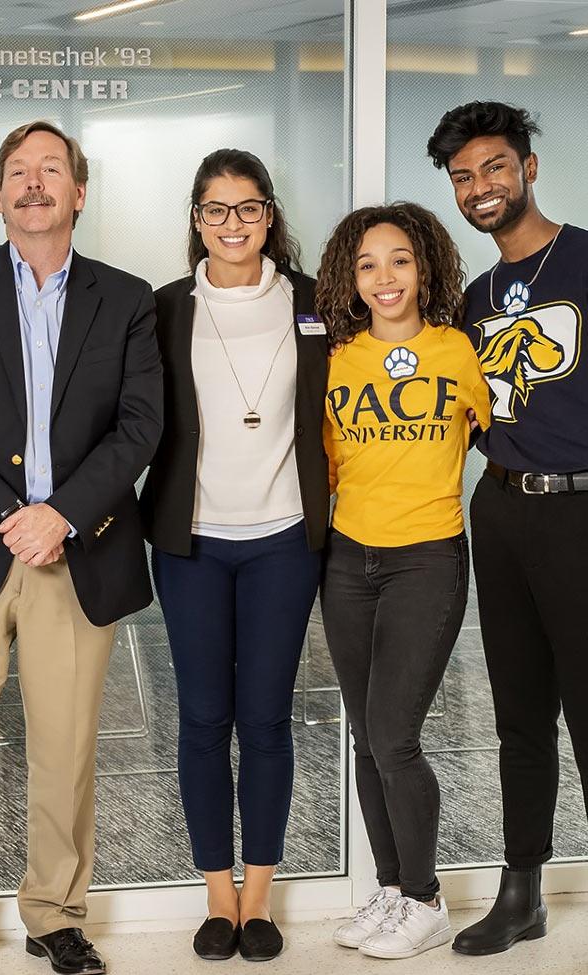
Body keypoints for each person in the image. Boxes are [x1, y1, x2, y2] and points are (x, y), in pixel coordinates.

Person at [0, 120, 163, 975]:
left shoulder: (126, 298)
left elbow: (139, 426)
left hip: (77, 551)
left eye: (51, 169)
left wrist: (61, 514)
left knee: (66, 744)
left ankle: (56, 912)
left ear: (78, 192)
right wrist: (3, 512)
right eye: (17, 170)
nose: (34, 182)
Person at [138, 149, 328, 963]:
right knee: (202, 719)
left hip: (285, 537)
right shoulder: (164, 308)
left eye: (246, 208)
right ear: (195, 220)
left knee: (267, 720)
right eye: (214, 210)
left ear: (269, 214)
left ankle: (261, 895)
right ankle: (218, 896)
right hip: (193, 543)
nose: (232, 224)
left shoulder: (318, 302)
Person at [428, 101, 588, 956]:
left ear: (528, 167)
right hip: (501, 508)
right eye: (461, 176)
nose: (479, 187)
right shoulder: (474, 297)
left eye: (493, 167)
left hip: (582, 510)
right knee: (518, 716)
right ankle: (520, 891)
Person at [316, 202, 491, 959]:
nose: (383, 277)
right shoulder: (335, 358)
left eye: (397, 260)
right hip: (348, 559)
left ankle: (424, 897)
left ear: (424, 268)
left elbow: (514, 430)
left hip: (427, 555)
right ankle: (390, 890)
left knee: (394, 734)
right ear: (349, 281)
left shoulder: (460, 351)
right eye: (366, 264)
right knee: (365, 736)